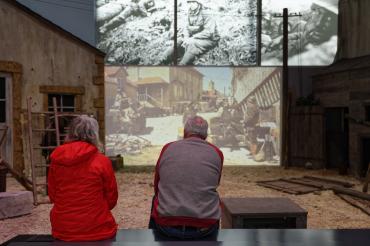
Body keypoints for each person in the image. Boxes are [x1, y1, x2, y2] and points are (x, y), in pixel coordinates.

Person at [149, 116, 223, 240]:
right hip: (204, 228)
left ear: (185, 132)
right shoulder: (216, 152)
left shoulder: (168, 148)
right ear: (205, 135)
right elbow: (215, 183)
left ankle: (153, 239)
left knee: (156, 199)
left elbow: (157, 186)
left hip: (167, 226)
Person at [48, 115, 118, 241]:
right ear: (94, 134)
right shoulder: (102, 161)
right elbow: (111, 198)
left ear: (71, 132)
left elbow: (53, 195)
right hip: (98, 228)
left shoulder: (56, 160)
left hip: (64, 229)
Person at [161, 0, 220, 65]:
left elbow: (209, 33)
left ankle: (182, 65)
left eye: (193, 2)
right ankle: (162, 61)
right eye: (189, 2)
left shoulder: (206, 13)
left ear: (198, 2)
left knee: (192, 44)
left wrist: (192, 38)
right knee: (179, 41)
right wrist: (186, 38)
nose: (191, 4)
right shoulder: (190, 12)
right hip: (196, 37)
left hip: (209, 39)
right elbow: (187, 28)